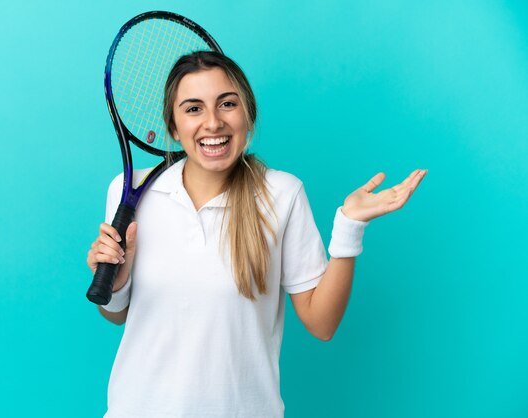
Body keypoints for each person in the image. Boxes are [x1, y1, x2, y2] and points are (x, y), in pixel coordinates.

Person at [87, 51, 427, 417]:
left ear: (247, 115)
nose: (213, 123)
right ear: (173, 126)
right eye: (193, 108)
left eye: (227, 104)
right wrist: (116, 282)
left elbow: (322, 323)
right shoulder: (128, 191)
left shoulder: (282, 194)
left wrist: (349, 226)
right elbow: (117, 314)